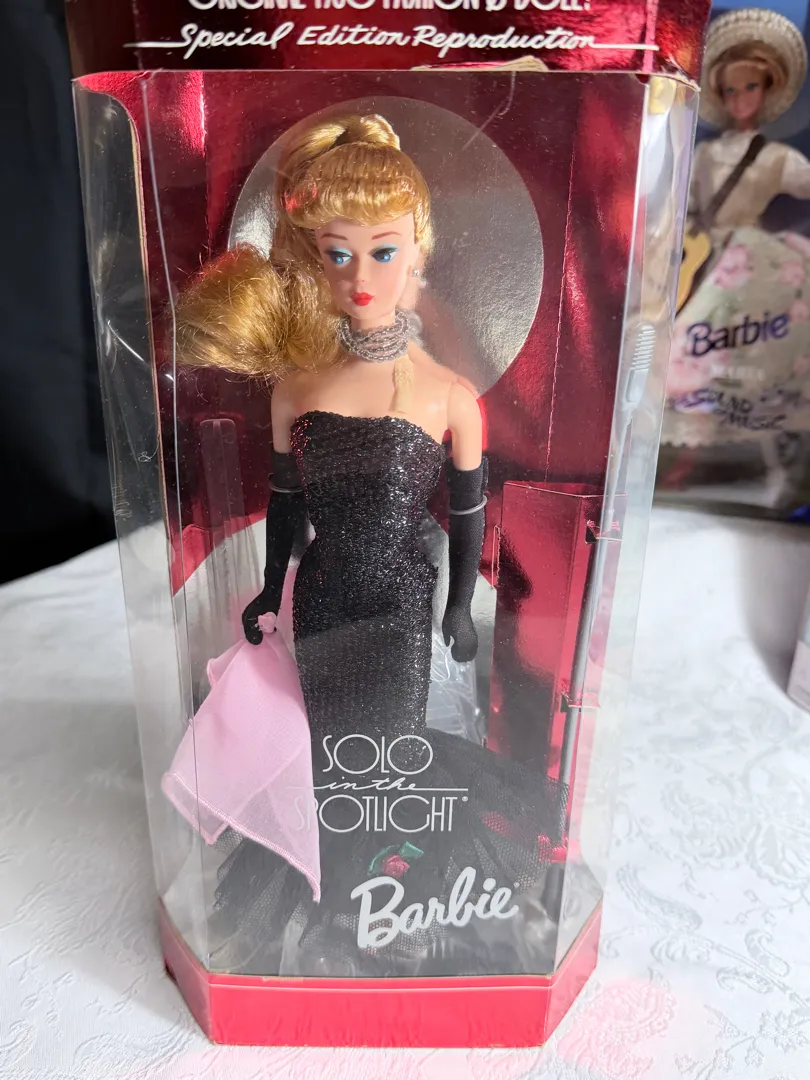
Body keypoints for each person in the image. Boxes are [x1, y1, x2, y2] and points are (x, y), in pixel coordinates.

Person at [164, 113, 564, 977]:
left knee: (390, 751)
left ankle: (392, 900)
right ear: (312, 260)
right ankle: (341, 897)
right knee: (331, 754)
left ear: (419, 254)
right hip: (325, 595)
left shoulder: (449, 395)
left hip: (399, 602)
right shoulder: (296, 388)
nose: (360, 276)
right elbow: (285, 507)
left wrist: (458, 607)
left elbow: (468, 520)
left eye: (382, 251)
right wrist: (269, 588)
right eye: (336, 253)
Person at [661, 8, 810, 494]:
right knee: (685, 349)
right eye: (731, 90)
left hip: (752, 262)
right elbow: (683, 198)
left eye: (750, 88)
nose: (741, 98)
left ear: (766, 90)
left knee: (752, 356)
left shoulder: (777, 157)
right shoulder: (705, 153)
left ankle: (771, 459)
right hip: (701, 253)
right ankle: (681, 458)